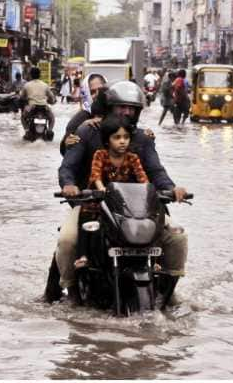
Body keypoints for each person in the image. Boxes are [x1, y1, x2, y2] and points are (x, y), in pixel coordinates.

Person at [54, 80, 189, 299]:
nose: (126, 112)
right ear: (110, 108)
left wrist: (172, 189)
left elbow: (155, 171)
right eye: (121, 107)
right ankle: (71, 292)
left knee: (177, 238)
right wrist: (69, 186)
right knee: (67, 241)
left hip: (138, 210)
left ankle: (168, 288)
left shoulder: (143, 138)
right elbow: (68, 167)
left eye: (131, 108)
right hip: (93, 204)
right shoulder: (87, 131)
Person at [72, 115, 151, 269]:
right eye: (117, 137)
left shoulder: (133, 158)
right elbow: (95, 175)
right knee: (87, 222)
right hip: (98, 201)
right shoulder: (100, 155)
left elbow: (143, 178)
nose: (122, 141)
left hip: (123, 204)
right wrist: (101, 189)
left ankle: (154, 262)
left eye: (126, 137)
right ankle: (83, 255)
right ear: (108, 140)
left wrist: (148, 191)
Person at [60, 73, 107, 155]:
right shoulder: (78, 120)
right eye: (92, 92)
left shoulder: (117, 112)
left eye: (100, 90)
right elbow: (66, 153)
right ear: (86, 93)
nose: (97, 95)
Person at [19, 66, 56, 139]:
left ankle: (27, 131)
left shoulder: (27, 85)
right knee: (52, 118)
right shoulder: (45, 85)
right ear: (40, 75)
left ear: (31, 75)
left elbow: (21, 97)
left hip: (32, 107)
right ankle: (49, 130)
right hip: (44, 107)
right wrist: (52, 101)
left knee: (23, 117)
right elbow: (52, 98)